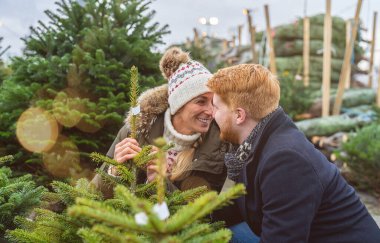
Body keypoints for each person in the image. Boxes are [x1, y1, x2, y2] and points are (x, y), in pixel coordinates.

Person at [208, 64, 380, 242]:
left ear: (239, 115)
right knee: (227, 232)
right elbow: (229, 213)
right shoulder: (246, 148)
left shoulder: (285, 160)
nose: (212, 114)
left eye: (217, 108)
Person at [91, 47, 226, 197]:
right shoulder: (136, 131)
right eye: (201, 102)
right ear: (178, 104)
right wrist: (114, 171)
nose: (211, 111)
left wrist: (161, 184)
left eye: (213, 102)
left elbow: (211, 217)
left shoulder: (220, 145)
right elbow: (92, 196)